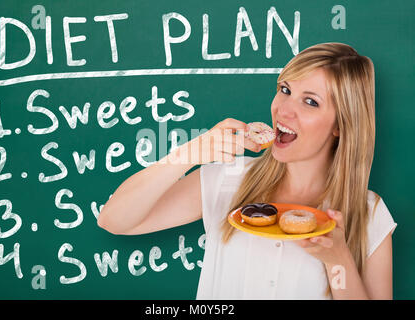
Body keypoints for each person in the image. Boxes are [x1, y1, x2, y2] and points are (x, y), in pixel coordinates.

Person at [97, 42, 397, 300]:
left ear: (340, 126)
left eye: (310, 101)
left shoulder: (369, 213)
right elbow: (114, 220)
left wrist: (338, 261)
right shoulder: (228, 179)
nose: (284, 109)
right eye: (285, 89)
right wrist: (188, 154)